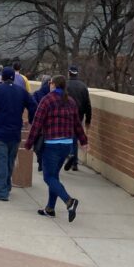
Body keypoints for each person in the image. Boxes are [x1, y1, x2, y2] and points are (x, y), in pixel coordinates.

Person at [25, 74, 88, 221]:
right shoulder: (70, 101)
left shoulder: (47, 100)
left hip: (51, 145)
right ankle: (50, 208)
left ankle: (69, 201)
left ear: (52, 84)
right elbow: (77, 124)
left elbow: (37, 123)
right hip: (66, 145)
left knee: (48, 177)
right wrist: (84, 141)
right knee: (54, 176)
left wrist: (29, 143)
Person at [0, 66, 36, 201]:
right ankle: (7, 186)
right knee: (10, 162)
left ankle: (1, 192)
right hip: (15, 132)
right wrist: (30, 119)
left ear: (3, 77)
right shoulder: (21, 91)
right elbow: (34, 105)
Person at [64, 65, 93, 171]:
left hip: (66, 114)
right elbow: (88, 104)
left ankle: (70, 155)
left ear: (69, 73)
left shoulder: (65, 85)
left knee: (66, 136)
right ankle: (74, 162)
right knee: (75, 136)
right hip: (79, 115)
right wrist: (88, 119)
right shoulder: (83, 86)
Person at [31, 75, 52, 171]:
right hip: (51, 125)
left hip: (39, 124)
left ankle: (40, 162)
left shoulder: (36, 94)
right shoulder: (54, 96)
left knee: (38, 144)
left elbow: (33, 108)